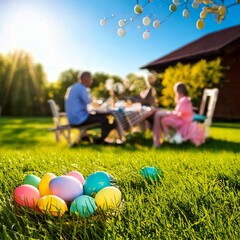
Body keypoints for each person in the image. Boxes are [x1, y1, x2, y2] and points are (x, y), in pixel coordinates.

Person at [65, 71, 118, 144]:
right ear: (85, 79)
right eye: (91, 79)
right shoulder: (81, 88)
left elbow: (88, 105)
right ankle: (101, 140)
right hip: (79, 119)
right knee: (105, 119)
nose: (91, 81)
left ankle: (97, 138)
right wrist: (100, 105)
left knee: (103, 117)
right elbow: (90, 103)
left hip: (73, 119)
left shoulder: (74, 87)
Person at [153, 82, 193, 147]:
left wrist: (167, 113)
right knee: (163, 118)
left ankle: (167, 137)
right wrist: (167, 113)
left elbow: (178, 113)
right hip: (182, 120)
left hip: (183, 122)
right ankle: (167, 137)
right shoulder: (185, 99)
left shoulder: (184, 100)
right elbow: (178, 112)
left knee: (164, 119)